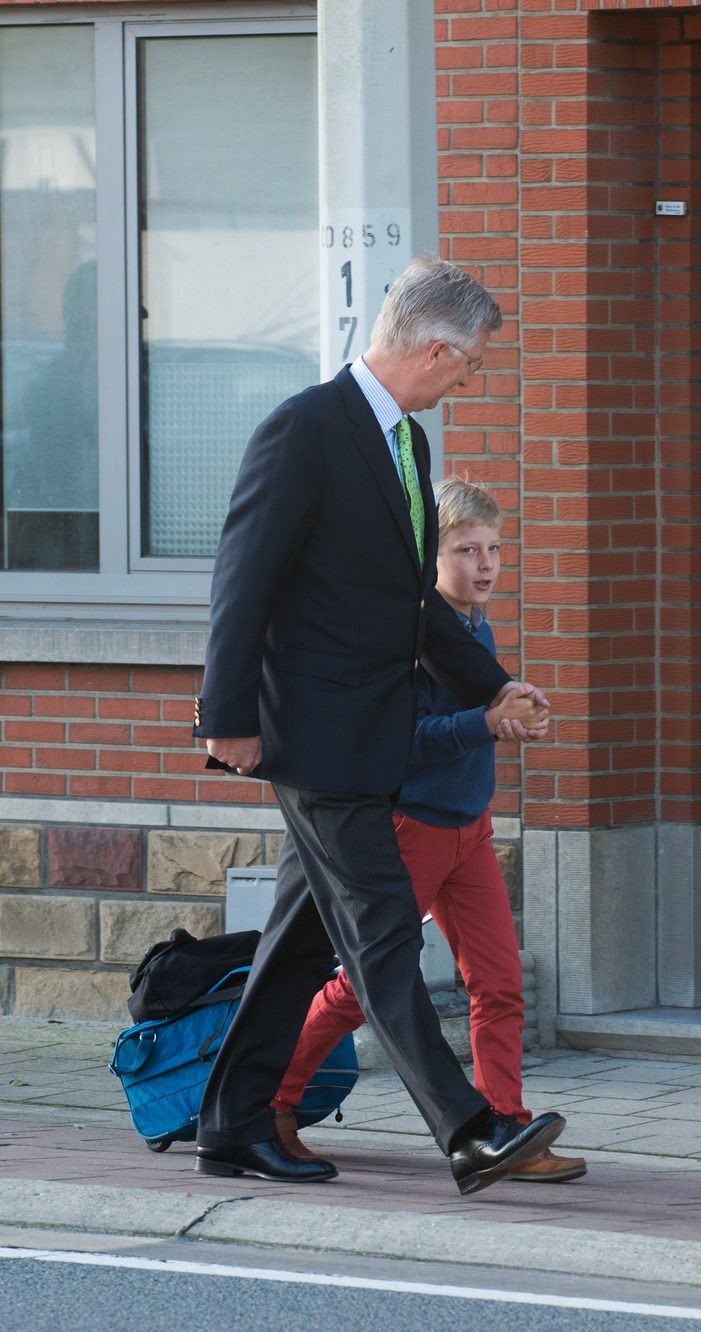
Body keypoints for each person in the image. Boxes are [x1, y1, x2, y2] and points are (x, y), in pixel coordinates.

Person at [192, 256, 566, 1195]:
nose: (468, 382)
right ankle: (470, 1128)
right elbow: (243, 579)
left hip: (369, 733)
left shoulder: (406, 444)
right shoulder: (306, 430)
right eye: (470, 365)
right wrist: (224, 715)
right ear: (435, 349)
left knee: (300, 944)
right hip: (314, 735)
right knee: (385, 931)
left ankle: (232, 1125)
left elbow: (412, 604)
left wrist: (494, 685)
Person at [272, 478, 586, 1183]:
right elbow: (402, 741)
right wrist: (485, 722)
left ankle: (505, 1127)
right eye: (465, 549)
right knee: (363, 985)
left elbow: (484, 707)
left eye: (495, 549)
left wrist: (516, 708)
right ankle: (271, 1099)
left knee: (501, 983)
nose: (485, 564)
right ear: (427, 554)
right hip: (410, 829)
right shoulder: (410, 632)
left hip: (470, 831)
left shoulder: (479, 624)